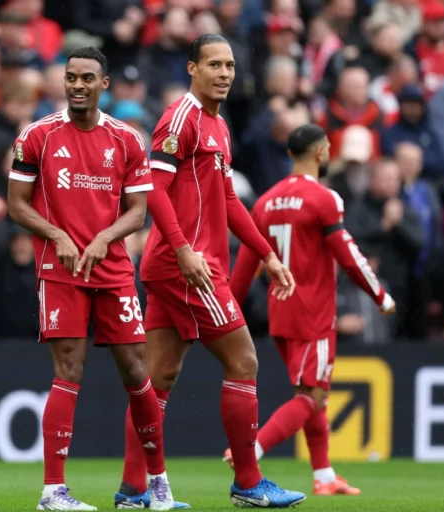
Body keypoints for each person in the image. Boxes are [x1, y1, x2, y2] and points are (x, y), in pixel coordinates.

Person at [116, 34, 305, 509]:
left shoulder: (218, 127)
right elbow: (153, 190)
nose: (224, 73)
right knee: (243, 362)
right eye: (214, 64)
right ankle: (248, 481)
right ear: (191, 68)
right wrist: (183, 249)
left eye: (230, 66)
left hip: (181, 263)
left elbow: (226, 199)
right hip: (188, 266)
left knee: (157, 378)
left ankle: (133, 489)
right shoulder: (181, 118)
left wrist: (266, 253)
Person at [7, 47, 175, 511]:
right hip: (59, 270)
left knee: (137, 371)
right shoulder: (37, 136)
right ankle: (52, 491)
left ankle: (157, 483)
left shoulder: (126, 139)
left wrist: (104, 238)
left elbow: (138, 212)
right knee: (69, 370)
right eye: (70, 77)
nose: (77, 84)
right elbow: (16, 204)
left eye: (87, 78)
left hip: (113, 268)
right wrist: (56, 233)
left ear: (104, 85)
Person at [227, 123, 396, 495]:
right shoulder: (325, 198)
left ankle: (323, 476)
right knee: (312, 396)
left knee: (313, 393)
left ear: (290, 155)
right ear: (321, 152)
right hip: (315, 313)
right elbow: (348, 257)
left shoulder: (265, 201)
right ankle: (249, 453)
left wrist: (226, 310)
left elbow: (244, 267)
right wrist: (380, 296)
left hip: (280, 313)